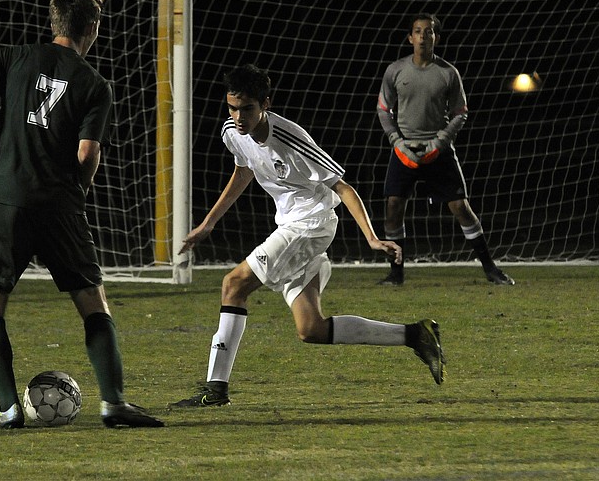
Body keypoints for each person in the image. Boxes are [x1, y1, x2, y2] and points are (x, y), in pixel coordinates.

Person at [0, 0, 164, 429]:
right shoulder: (94, 83)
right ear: (92, 28)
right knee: (93, 302)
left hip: (8, 202)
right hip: (60, 206)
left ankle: (8, 408)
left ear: (54, 23)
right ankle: (113, 403)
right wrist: (78, 193)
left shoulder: (13, 57)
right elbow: (88, 154)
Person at [170, 64, 445, 409]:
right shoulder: (232, 131)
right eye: (233, 108)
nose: (239, 116)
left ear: (265, 104)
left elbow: (343, 188)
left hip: (311, 225)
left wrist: (372, 238)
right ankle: (416, 335)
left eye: (247, 109)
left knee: (233, 285)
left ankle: (216, 389)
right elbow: (244, 171)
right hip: (290, 224)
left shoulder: (292, 139)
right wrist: (209, 223)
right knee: (311, 328)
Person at [376, 13, 515, 286]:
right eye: (418, 31)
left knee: (461, 207)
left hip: (438, 151)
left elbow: (460, 113)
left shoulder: (448, 73)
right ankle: (396, 274)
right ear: (410, 38)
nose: (423, 36)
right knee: (393, 207)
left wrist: (439, 143)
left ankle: (490, 269)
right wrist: (397, 142)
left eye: (429, 32)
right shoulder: (395, 70)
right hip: (404, 150)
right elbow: (383, 109)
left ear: (436, 38)